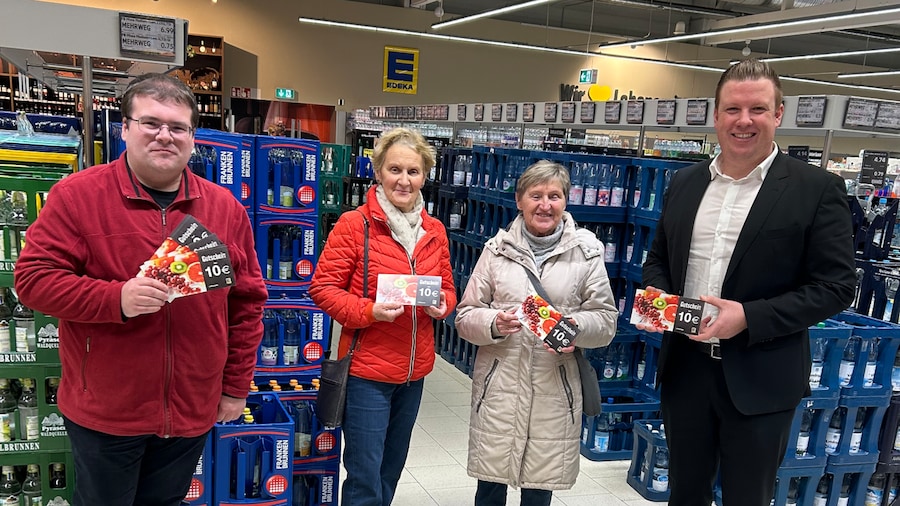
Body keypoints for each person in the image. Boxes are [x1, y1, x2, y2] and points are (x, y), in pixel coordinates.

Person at [13, 73, 267, 506]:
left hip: (191, 408)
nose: (165, 136)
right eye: (151, 123)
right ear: (125, 129)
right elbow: (33, 281)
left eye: (178, 127)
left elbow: (246, 304)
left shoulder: (224, 209)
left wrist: (235, 386)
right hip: (106, 411)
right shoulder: (77, 196)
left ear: (193, 138)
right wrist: (117, 299)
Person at [639, 59, 856, 506]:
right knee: (685, 493)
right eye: (733, 109)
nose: (744, 121)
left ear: (778, 114)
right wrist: (659, 293)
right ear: (716, 115)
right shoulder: (685, 182)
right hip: (686, 370)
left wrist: (749, 317)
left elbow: (835, 286)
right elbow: (658, 257)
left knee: (747, 498)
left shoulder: (816, 188)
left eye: (757, 109)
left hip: (762, 377)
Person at [455, 160, 618, 506]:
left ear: (565, 201)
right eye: (536, 195)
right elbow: (465, 314)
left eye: (554, 196)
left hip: (554, 389)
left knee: (539, 491)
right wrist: (494, 323)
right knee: (490, 488)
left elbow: (605, 321)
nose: (545, 205)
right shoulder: (496, 251)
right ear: (519, 200)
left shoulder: (586, 254)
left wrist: (574, 329)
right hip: (499, 388)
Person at [309, 127, 456, 506]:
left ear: (425, 175)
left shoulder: (435, 231)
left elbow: (447, 288)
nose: (404, 180)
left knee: (391, 469)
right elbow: (322, 289)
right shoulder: (354, 225)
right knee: (364, 474)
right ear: (378, 172)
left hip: (414, 373)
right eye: (395, 170)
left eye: (413, 171)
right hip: (366, 374)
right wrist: (368, 310)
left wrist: (443, 305)